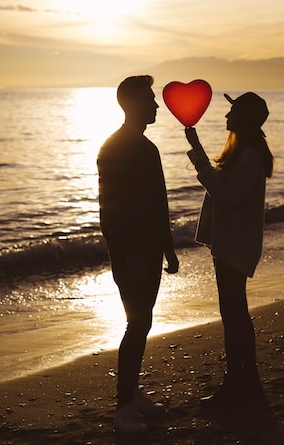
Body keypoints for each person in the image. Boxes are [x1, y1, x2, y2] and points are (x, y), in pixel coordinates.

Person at [97, 75, 179, 434]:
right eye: (150, 99)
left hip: (149, 250)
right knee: (137, 323)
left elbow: (159, 204)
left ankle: (132, 392)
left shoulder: (149, 148)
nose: (156, 105)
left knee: (143, 323)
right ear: (132, 104)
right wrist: (126, 255)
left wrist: (168, 247)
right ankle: (123, 406)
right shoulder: (113, 149)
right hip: (131, 253)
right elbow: (111, 211)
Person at [185, 91, 273, 411]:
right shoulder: (243, 151)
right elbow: (224, 187)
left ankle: (241, 383)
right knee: (234, 313)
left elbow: (227, 196)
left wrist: (198, 159)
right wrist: (197, 148)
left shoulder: (249, 156)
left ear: (245, 118)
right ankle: (243, 381)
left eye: (232, 111)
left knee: (234, 314)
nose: (226, 116)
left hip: (236, 245)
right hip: (232, 243)